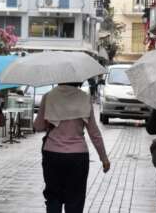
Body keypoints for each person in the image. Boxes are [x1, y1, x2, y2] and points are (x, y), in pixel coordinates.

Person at [34, 82, 110, 213]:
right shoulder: (84, 98)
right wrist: (104, 158)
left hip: (52, 154)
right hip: (78, 156)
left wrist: (50, 121)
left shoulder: (49, 96)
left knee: (53, 198)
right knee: (75, 199)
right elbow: (94, 132)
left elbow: (38, 126)